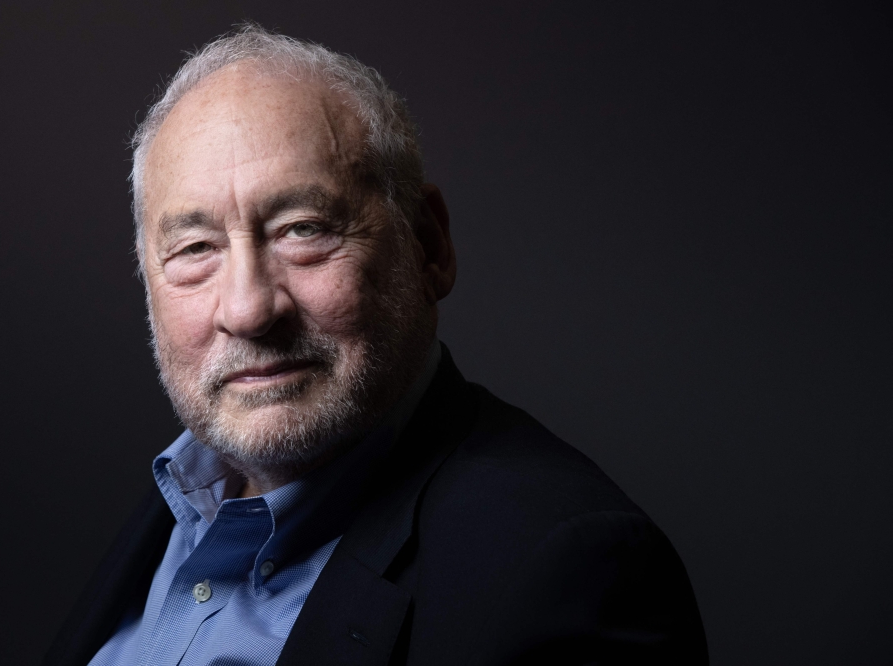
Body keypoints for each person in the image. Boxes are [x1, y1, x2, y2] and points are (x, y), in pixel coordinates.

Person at [44, 24, 707, 666]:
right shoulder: (184, 507)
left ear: (429, 246)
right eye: (195, 249)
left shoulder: (566, 572)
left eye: (302, 229)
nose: (248, 309)